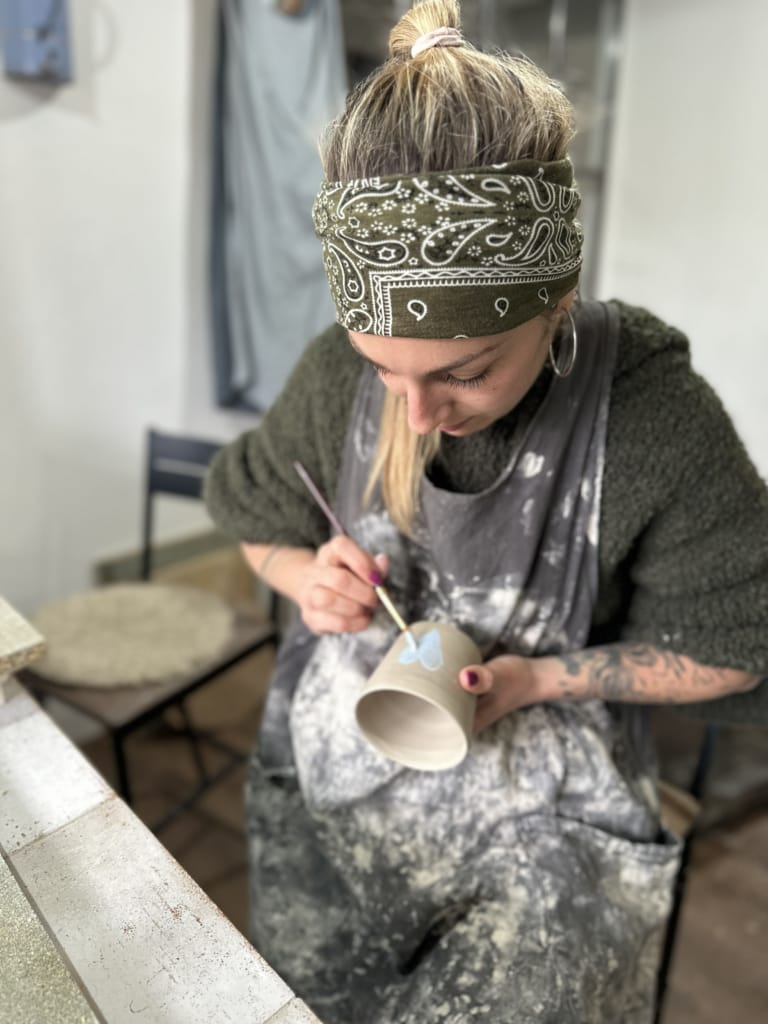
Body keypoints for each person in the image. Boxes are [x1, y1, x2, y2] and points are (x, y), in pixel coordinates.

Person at [204, 2, 768, 1020]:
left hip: (540, 824)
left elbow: (739, 646)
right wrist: (303, 576)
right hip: (340, 788)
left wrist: (541, 679)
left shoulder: (652, 416)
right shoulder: (337, 372)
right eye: (385, 369)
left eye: (464, 371)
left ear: (556, 304)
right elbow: (256, 509)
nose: (416, 413)